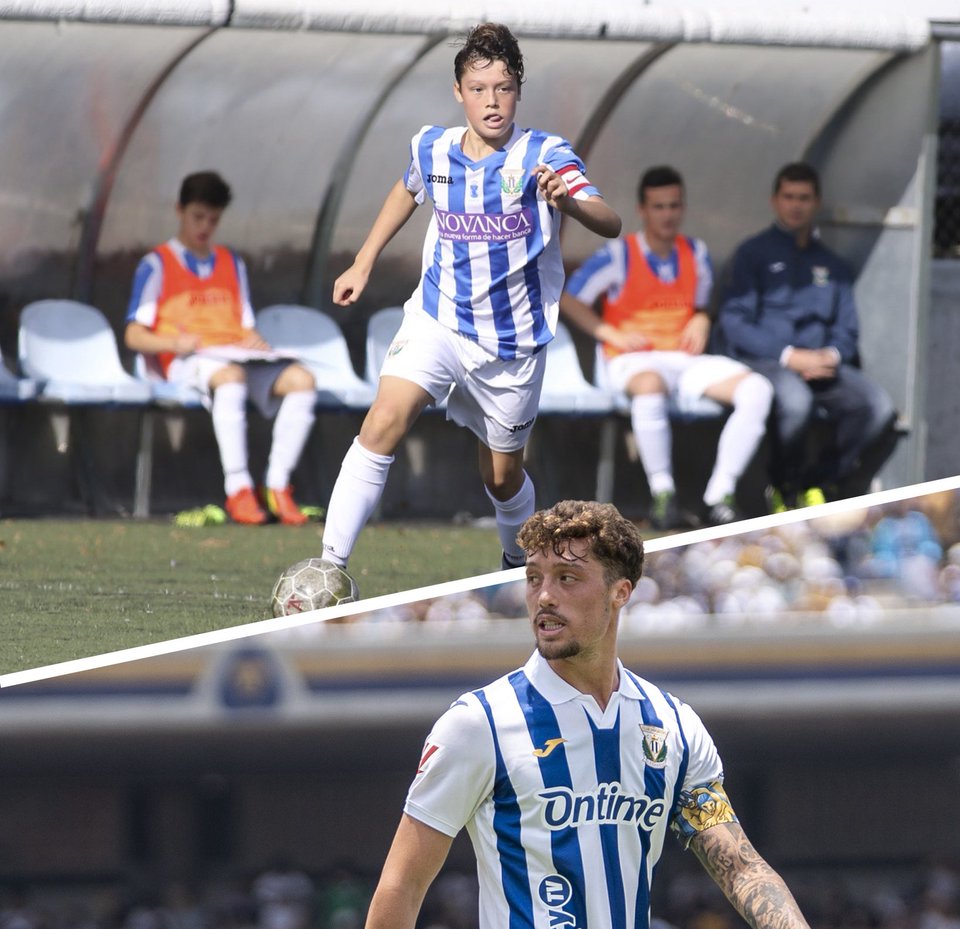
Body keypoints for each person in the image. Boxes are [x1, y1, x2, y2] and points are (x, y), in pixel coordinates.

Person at [348, 498, 857, 929]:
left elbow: (733, 856)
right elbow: (399, 889)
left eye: (568, 576)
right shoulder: (481, 724)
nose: (544, 596)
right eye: (533, 577)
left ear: (622, 592)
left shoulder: (671, 728)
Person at [318, 23, 621, 591]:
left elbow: (609, 219)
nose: (492, 101)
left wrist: (569, 201)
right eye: (479, 89)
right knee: (383, 419)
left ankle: (514, 565)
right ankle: (329, 564)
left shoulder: (545, 154)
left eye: (503, 88)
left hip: (511, 343)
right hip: (438, 318)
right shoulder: (430, 145)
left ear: (518, 91)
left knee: (502, 477)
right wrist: (363, 261)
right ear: (459, 92)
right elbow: (408, 189)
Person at [561, 166, 774, 529]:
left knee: (759, 389)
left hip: (685, 360)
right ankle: (663, 495)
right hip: (634, 361)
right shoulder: (619, 254)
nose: (668, 214)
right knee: (651, 385)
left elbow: (702, 305)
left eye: (674, 206)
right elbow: (569, 299)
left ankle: (718, 497)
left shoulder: (696, 251)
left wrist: (703, 318)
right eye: (659, 207)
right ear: (643, 210)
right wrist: (609, 333)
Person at [124, 171, 318, 526]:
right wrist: (174, 342)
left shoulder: (232, 262)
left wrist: (253, 340)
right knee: (229, 377)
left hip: (235, 356)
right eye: (198, 217)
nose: (205, 227)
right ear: (179, 210)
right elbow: (134, 335)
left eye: (213, 219)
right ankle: (238, 489)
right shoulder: (157, 264)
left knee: (302, 380)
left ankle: (276, 486)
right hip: (188, 361)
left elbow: (244, 324)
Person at [717, 161, 899, 511]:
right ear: (775, 201)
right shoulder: (752, 254)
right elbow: (735, 323)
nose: (796, 205)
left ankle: (818, 481)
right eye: (789, 197)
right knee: (796, 401)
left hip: (821, 365)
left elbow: (847, 331)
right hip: (768, 362)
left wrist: (830, 356)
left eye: (804, 197)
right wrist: (788, 356)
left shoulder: (833, 266)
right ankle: (782, 487)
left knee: (876, 407)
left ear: (816, 203)